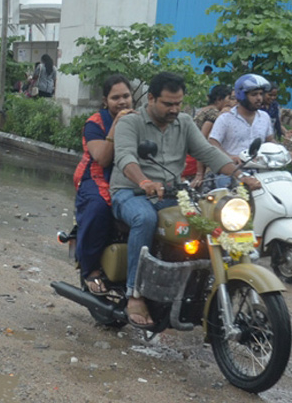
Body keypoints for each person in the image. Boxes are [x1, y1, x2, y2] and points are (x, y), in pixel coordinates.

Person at [109, 71, 261, 328]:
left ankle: (199, 287)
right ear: (151, 98)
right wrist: (144, 181)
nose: (174, 109)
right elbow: (125, 157)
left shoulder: (184, 123)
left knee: (210, 220)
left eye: (178, 104)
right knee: (145, 218)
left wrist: (239, 175)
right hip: (130, 192)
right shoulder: (130, 123)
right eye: (168, 104)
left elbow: (207, 152)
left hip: (172, 193)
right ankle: (134, 293)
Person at [75, 75, 134, 295]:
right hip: (97, 176)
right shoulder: (95, 123)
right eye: (115, 97)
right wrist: (117, 124)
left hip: (131, 176)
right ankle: (90, 270)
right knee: (100, 206)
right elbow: (102, 158)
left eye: (126, 96)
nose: (122, 102)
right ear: (105, 101)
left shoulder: (140, 119)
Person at [208, 74, 276, 178]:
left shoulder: (264, 117)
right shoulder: (225, 118)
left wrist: (283, 151)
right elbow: (213, 143)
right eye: (254, 95)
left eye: (261, 94)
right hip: (232, 172)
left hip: (261, 172)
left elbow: (270, 141)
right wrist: (229, 157)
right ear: (242, 96)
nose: (259, 98)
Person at [184, 83, 235, 185]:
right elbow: (202, 140)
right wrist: (199, 173)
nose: (231, 102)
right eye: (229, 98)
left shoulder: (204, 110)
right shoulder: (214, 113)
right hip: (195, 159)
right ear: (219, 99)